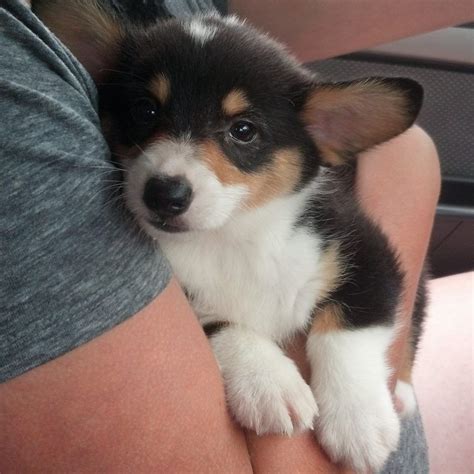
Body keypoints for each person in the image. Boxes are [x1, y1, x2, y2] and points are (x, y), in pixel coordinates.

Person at [1, 0, 469, 471]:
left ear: (324, 130)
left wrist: (361, 374)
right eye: (147, 111)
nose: (172, 171)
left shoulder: (320, 239)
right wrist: (236, 344)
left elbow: (376, 269)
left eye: (241, 131)